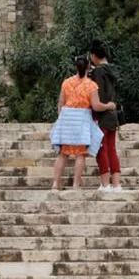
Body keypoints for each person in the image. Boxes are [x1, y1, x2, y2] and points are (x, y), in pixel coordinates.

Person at [50, 55, 117, 190]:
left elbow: (60, 103)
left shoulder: (66, 82)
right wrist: (109, 105)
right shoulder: (91, 85)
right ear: (88, 67)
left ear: (76, 66)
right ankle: (76, 185)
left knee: (63, 153)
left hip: (67, 118)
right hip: (81, 120)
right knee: (80, 154)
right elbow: (96, 105)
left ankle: (55, 184)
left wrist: (61, 119)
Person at [88, 40, 122, 193]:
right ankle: (116, 185)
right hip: (113, 114)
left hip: (101, 114)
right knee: (112, 149)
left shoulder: (98, 72)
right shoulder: (113, 70)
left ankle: (105, 184)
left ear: (94, 55)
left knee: (101, 149)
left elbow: (97, 96)